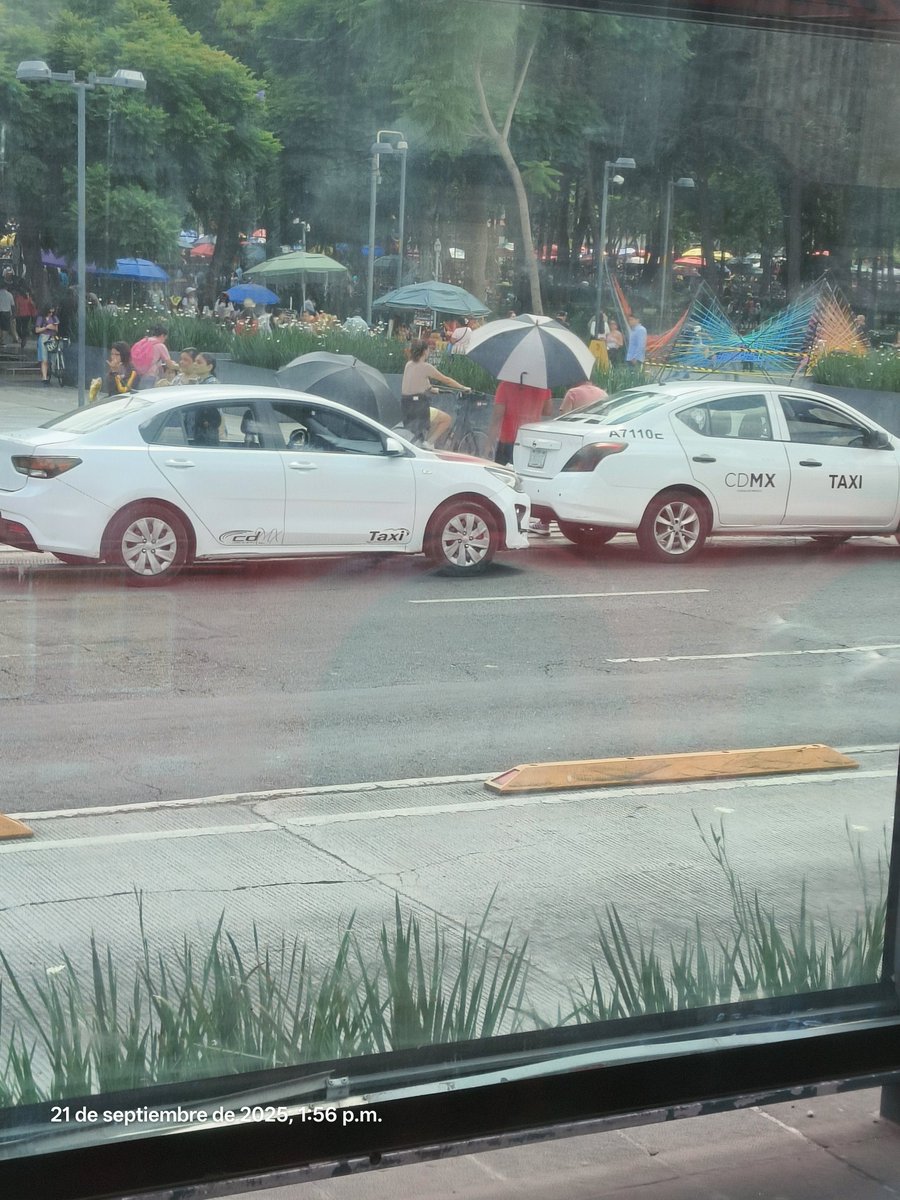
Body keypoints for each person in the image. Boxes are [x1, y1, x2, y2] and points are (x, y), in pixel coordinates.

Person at [400, 339, 470, 448]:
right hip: (419, 408)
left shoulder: (408, 364)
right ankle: (428, 443)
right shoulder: (426, 367)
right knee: (446, 419)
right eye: (428, 350)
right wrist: (463, 387)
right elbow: (446, 380)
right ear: (424, 351)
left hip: (407, 406)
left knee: (436, 418)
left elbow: (419, 381)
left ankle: (424, 442)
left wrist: (432, 389)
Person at [489, 378, 552, 466]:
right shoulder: (543, 387)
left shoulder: (506, 385)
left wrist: (488, 444)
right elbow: (547, 411)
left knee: (504, 476)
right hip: (532, 441)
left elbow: (497, 416)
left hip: (508, 441)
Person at [35, 306, 60, 384]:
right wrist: (46, 327)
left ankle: (52, 369)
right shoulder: (40, 318)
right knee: (44, 358)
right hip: (43, 337)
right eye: (49, 312)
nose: (51, 314)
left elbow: (56, 329)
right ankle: (44, 377)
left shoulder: (54, 318)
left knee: (53, 356)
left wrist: (53, 327)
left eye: (52, 312)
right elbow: (37, 330)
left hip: (52, 338)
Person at [0, 280, 14, 348]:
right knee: (5, 328)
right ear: (6, 287)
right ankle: (2, 341)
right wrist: (13, 315)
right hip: (7, 313)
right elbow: (12, 305)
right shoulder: (9, 295)